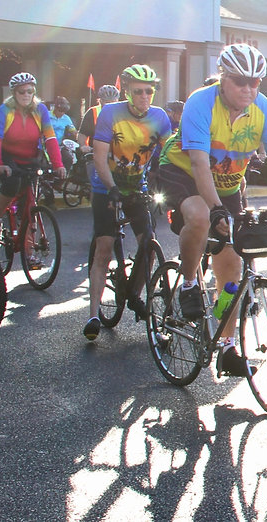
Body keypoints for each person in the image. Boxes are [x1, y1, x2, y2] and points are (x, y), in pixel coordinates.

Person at [153, 43, 267, 376]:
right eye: (240, 81)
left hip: (225, 183)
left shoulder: (263, 109)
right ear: (223, 78)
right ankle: (190, 283)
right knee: (199, 216)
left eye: (256, 82)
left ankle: (226, 347)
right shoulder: (200, 102)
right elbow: (197, 162)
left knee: (231, 268)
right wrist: (216, 210)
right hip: (182, 172)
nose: (248, 89)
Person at [82, 64, 172, 340]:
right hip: (106, 187)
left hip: (137, 186)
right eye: (138, 91)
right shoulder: (109, 113)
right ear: (127, 91)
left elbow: (170, 155)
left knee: (148, 241)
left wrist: (175, 187)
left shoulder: (160, 117)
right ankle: (94, 314)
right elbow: (99, 157)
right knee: (104, 248)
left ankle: (133, 294)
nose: (145, 96)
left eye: (149, 91)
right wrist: (110, 188)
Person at [0, 72, 66, 252]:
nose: (26, 95)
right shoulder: (5, 110)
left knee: (31, 203)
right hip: (7, 156)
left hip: (31, 157)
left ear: (34, 92)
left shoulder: (41, 110)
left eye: (29, 91)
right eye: (21, 91)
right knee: (12, 183)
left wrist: (58, 164)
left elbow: (50, 138)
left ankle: (28, 250)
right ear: (14, 93)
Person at [78, 84, 120, 153]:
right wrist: (83, 146)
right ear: (100, 101)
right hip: (95, 151)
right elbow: (82, 133)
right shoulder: (92, 112)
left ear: (117, 101)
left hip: (117, 152)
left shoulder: (123, 112)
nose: (109, 105)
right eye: (107, 102)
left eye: (113, 103)